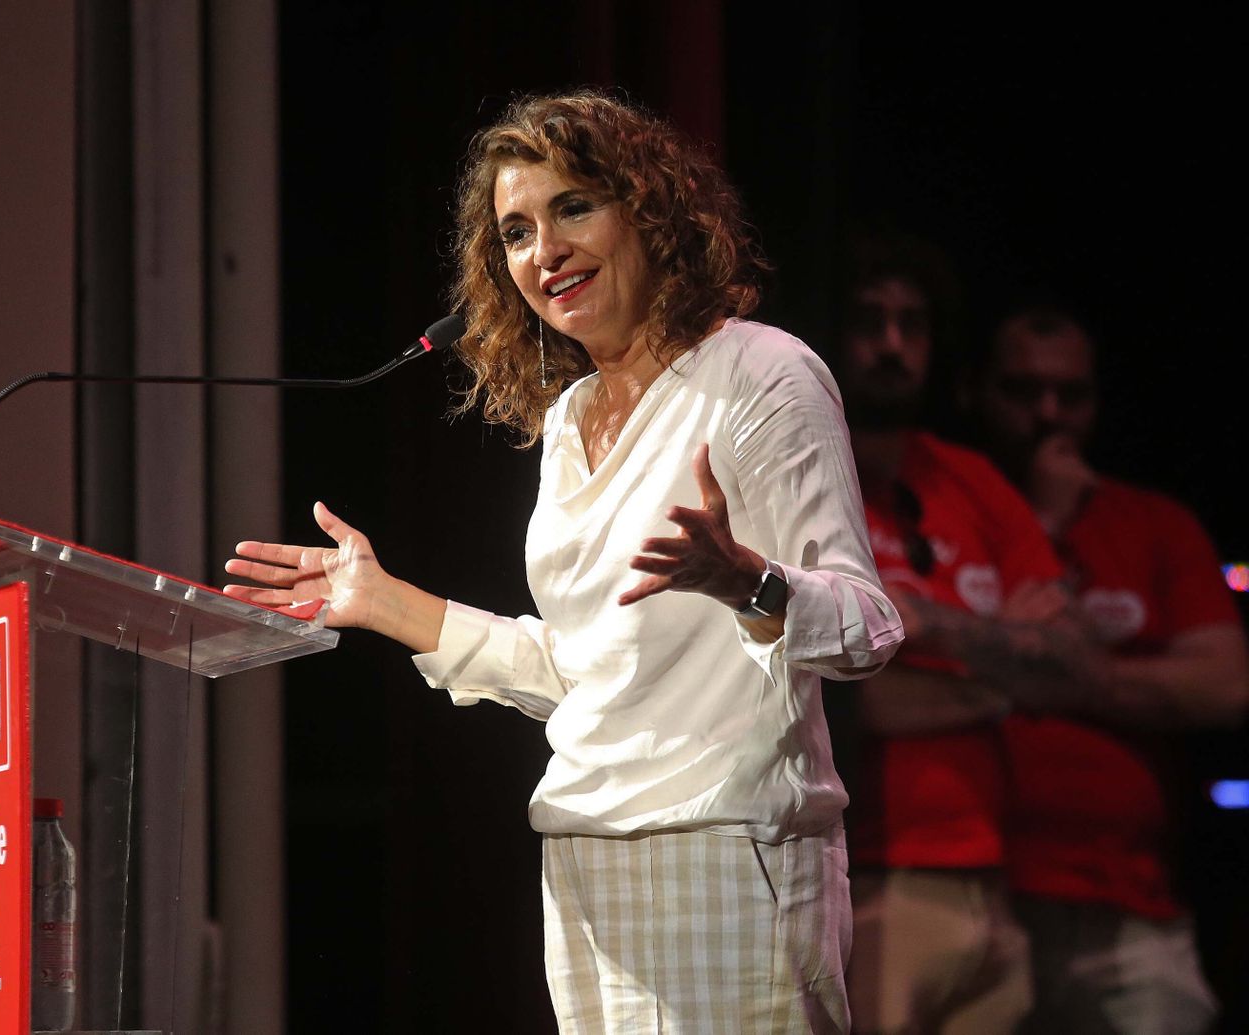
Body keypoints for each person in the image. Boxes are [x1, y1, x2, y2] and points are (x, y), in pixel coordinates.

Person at [223, 92, 903, 1033]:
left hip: (724, 848)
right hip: (584, 855)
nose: (544, 249)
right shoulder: (571, 421)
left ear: (651, 213)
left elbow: (869, 625)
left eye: (574, 206)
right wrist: (382, 602)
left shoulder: (759, 374)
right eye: (514, 231)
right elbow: (585, 671)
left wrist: (744, 579)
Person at [972, 303, 1248, 1033]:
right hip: (976, 893)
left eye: (1071, 393)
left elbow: (1226, 685)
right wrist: (1047, 525)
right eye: (1023, 390)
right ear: (977, 391)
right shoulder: (951, 507)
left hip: (1132, 908)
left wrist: (1063, 674)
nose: (1049, 413)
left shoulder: (1155, 524)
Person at [831, 236, 1077, 1034]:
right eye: (871, 321)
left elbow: (1070, 664)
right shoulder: (808, 475)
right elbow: (851, 703)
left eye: (913, 325)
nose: (894, 346)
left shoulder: (972, 480)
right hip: (870, 874)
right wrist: (1003, 668)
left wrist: (932, 623)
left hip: (992, 877)